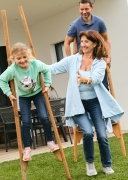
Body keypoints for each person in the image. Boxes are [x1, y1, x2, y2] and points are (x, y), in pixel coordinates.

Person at [49, 30, 124, 176]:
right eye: (81, 41)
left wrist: (85, 80)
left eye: (86, 42)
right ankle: (90, 164)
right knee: (88, 133)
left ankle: (106, 164)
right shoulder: (73, 60)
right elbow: (52, 68)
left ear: (95, 44)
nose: (83, 44)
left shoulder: (100, 62)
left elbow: (96, 78)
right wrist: (31, 64)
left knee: (102, 135)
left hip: (95, 103)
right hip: (78, 104)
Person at [0, 42, 59, 162]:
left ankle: (50, 142)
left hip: (37, 93)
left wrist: (46, 85)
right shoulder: (12, 69)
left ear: (29, 55)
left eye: (24, 57)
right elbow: (1, 80)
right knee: (25, 121)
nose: (22, 60)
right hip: (24, 97)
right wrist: (9, 94)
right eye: (18, 58)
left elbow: (47, 70)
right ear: (13, 59)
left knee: (44, 117)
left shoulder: (36, 64)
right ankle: (27, 148)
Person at [64, 0, 111, 90]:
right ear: (79, 9)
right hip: (83, 62)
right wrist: (71, 60)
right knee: (86, 88)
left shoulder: (99, 22)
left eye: (86, 9)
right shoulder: (75, 24)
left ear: (92, 8)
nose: (84, 12)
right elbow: (66, 42)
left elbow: (106, 39)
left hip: (98, 58)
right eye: (81, 9)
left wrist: (109, 57)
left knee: (103, 87)